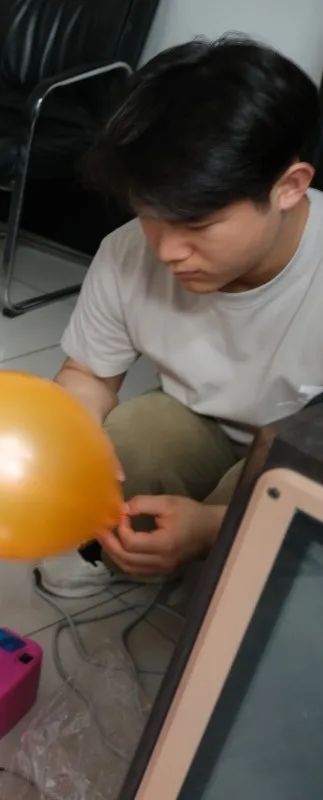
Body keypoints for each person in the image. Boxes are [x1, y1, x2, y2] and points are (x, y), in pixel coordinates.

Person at [39, 37, 323, 597]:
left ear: (289, 187)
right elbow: (87, 375)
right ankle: (122, 554)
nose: (168, 250)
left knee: (268, 524)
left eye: (197, 224)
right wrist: (79, 435)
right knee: (131, 437)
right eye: (150, 215)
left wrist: (212, 528)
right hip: (202, 423)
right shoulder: (126, 254)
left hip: (306, 452)